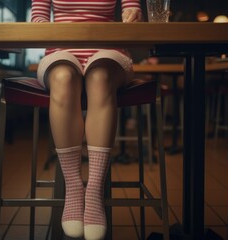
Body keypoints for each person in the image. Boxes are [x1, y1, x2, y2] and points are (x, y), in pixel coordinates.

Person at [31, 1, 142, 239]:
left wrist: (133, 14)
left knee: (100, 77)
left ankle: (93, 190)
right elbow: (37, 20)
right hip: (60, 53)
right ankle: (73, 187)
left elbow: (132, 10)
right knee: (62, 78)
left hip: (109, 54)